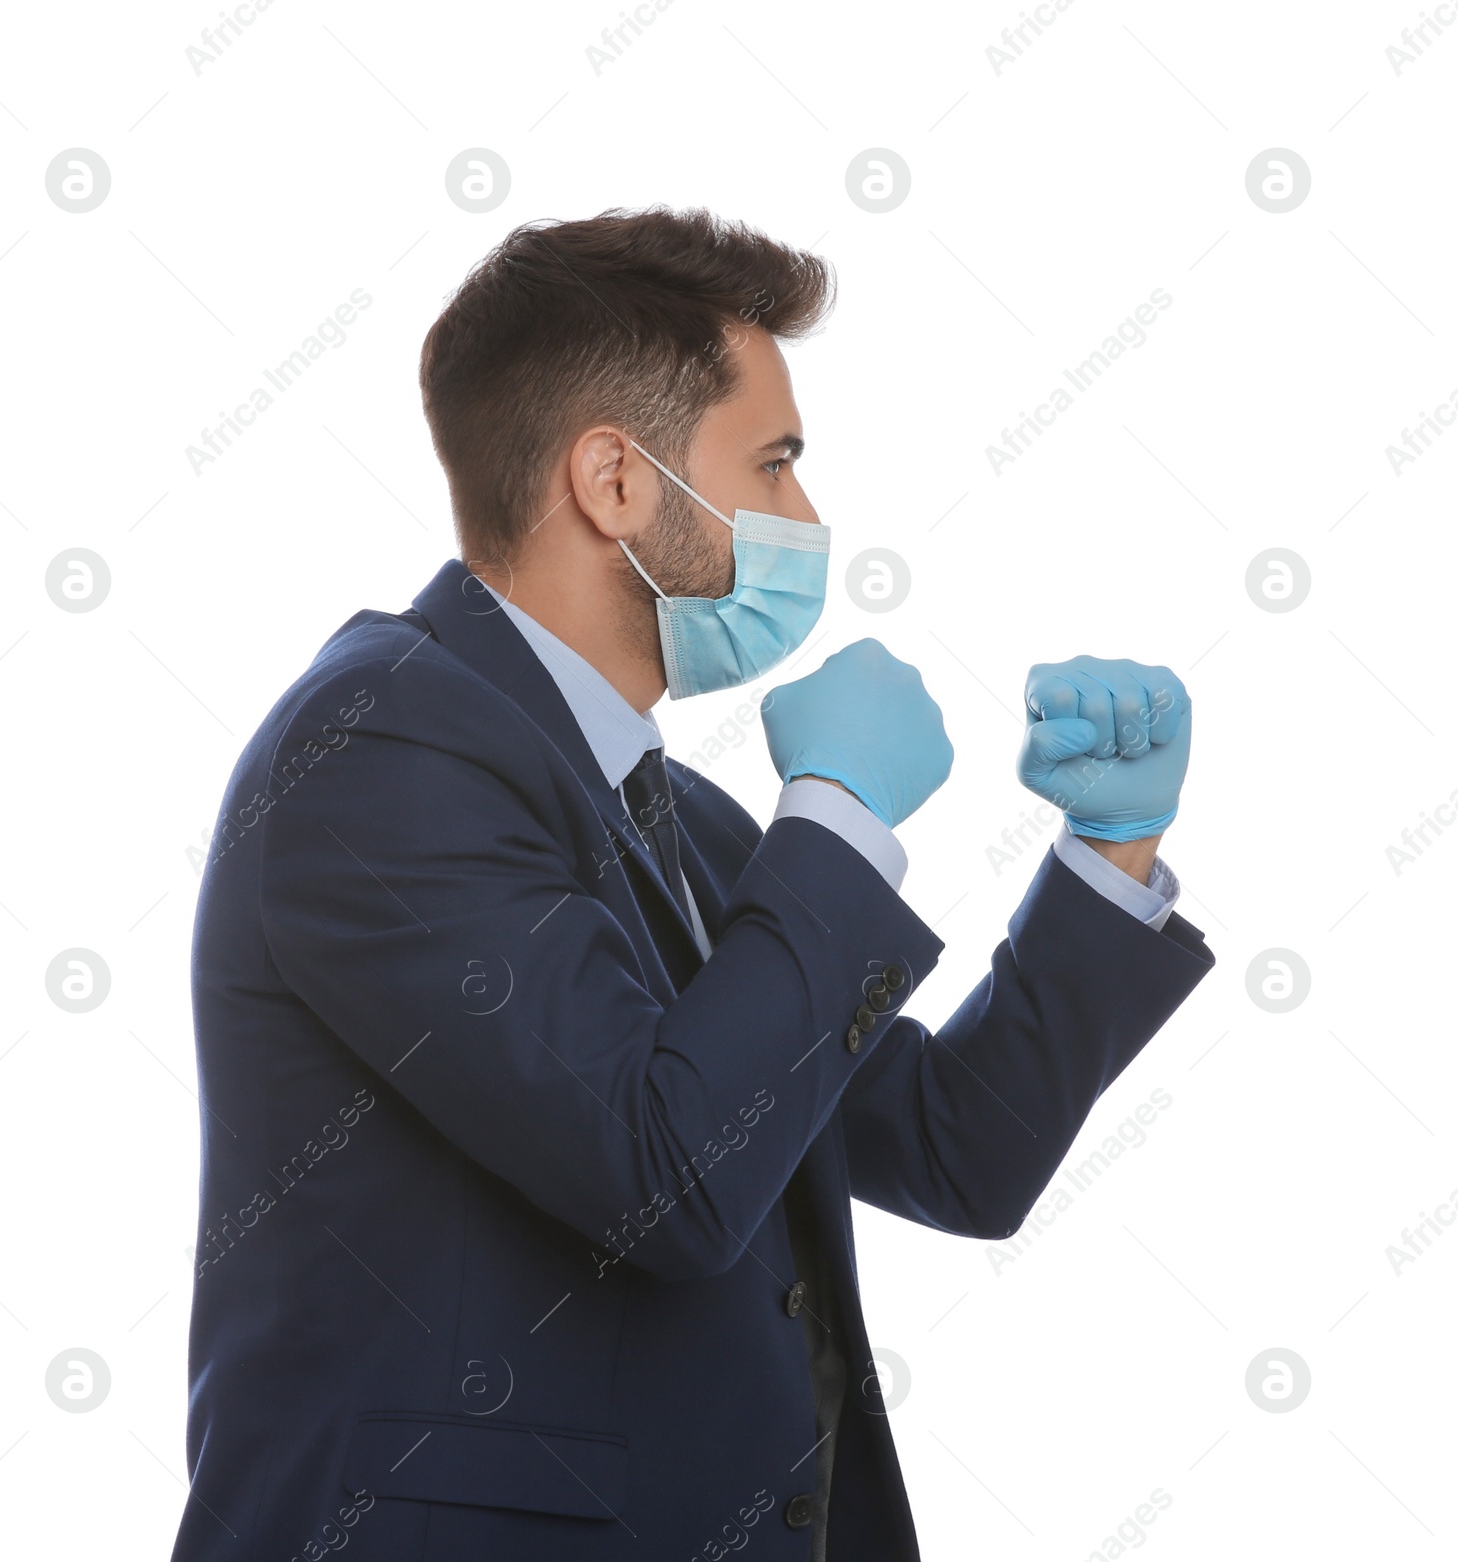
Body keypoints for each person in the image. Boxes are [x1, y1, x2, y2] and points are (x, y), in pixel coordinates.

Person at [171, 207, 1213, 1562]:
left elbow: (954, 1147)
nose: (809, 520)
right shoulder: (377, 747)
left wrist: (1107, 852)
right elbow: (664, 1177)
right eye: (773, 465)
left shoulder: (671, 818)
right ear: (613, 480)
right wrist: (839, 819)